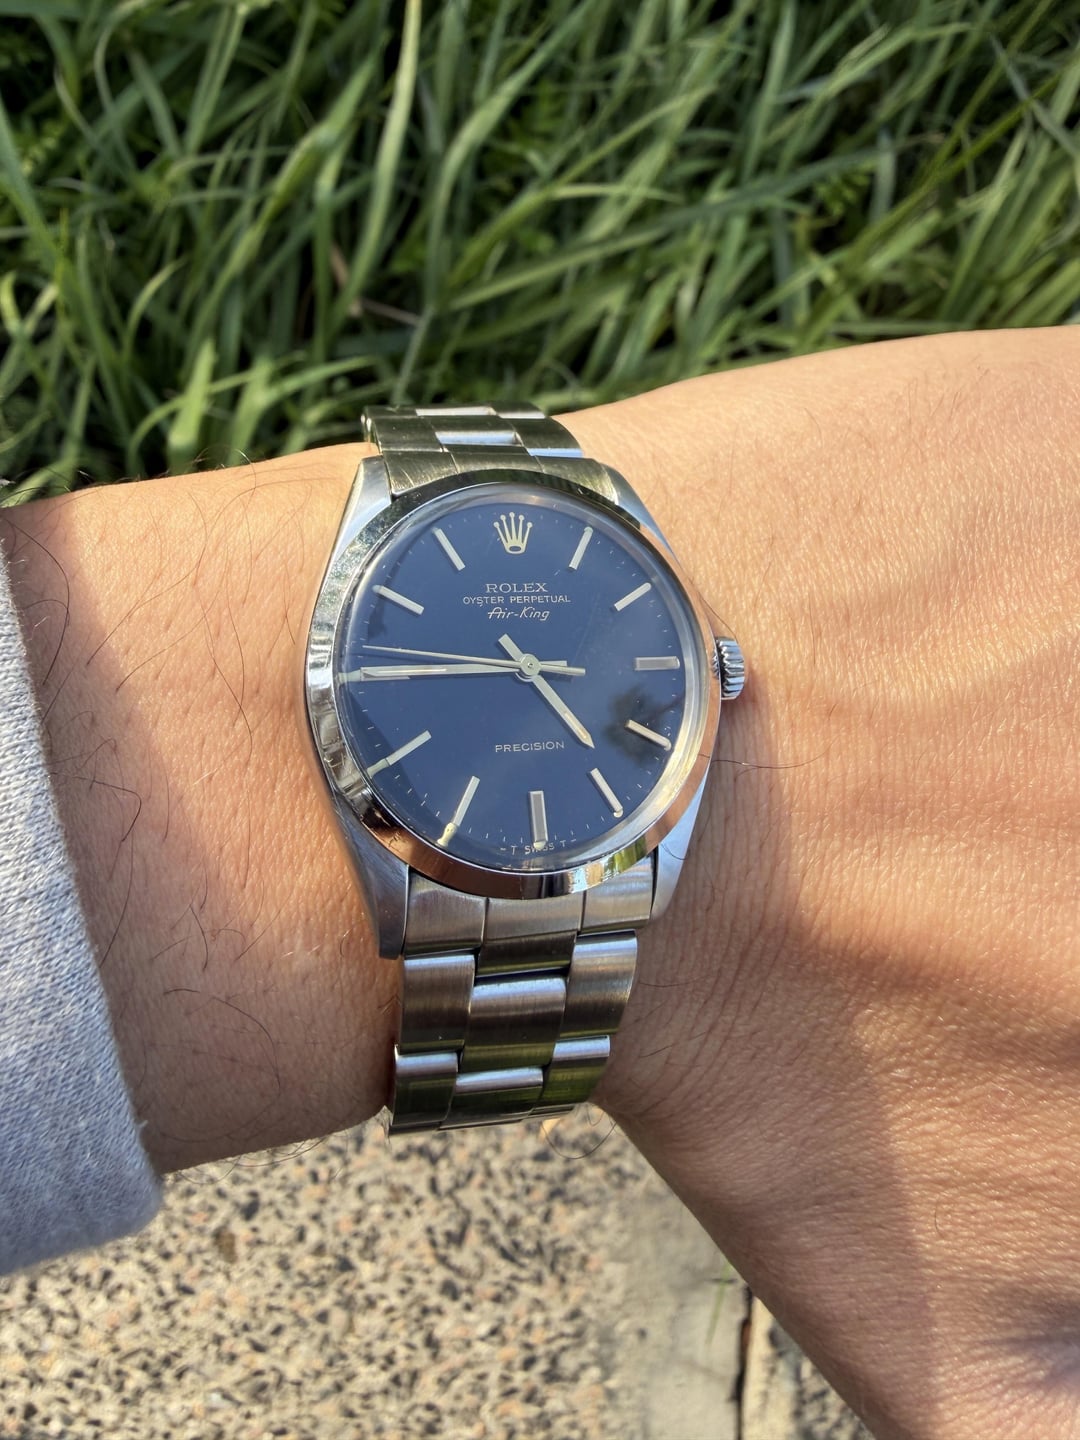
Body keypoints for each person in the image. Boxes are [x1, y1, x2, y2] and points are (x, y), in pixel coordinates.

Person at [1, 328, 1077, 1438]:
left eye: (532, 664)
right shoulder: (368, 669)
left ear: (719, 671)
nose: (520, 668)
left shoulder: (677, 698)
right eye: (508, 665)